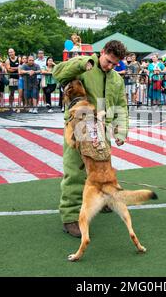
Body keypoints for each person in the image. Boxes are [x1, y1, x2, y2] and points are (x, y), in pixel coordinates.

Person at [52, 40, 129, 237]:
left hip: (101, 130)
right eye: (108, 61)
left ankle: (103, 200)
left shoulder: (116, 80)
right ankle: (70, 217)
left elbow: (120, 105)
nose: (110, 66)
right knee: (75, 173)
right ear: (101, 52)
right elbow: (57, 73)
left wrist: (121, 131)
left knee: (103, 170)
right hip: (79, 126)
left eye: (115, 64)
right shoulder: (84, 64)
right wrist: (81, 64)